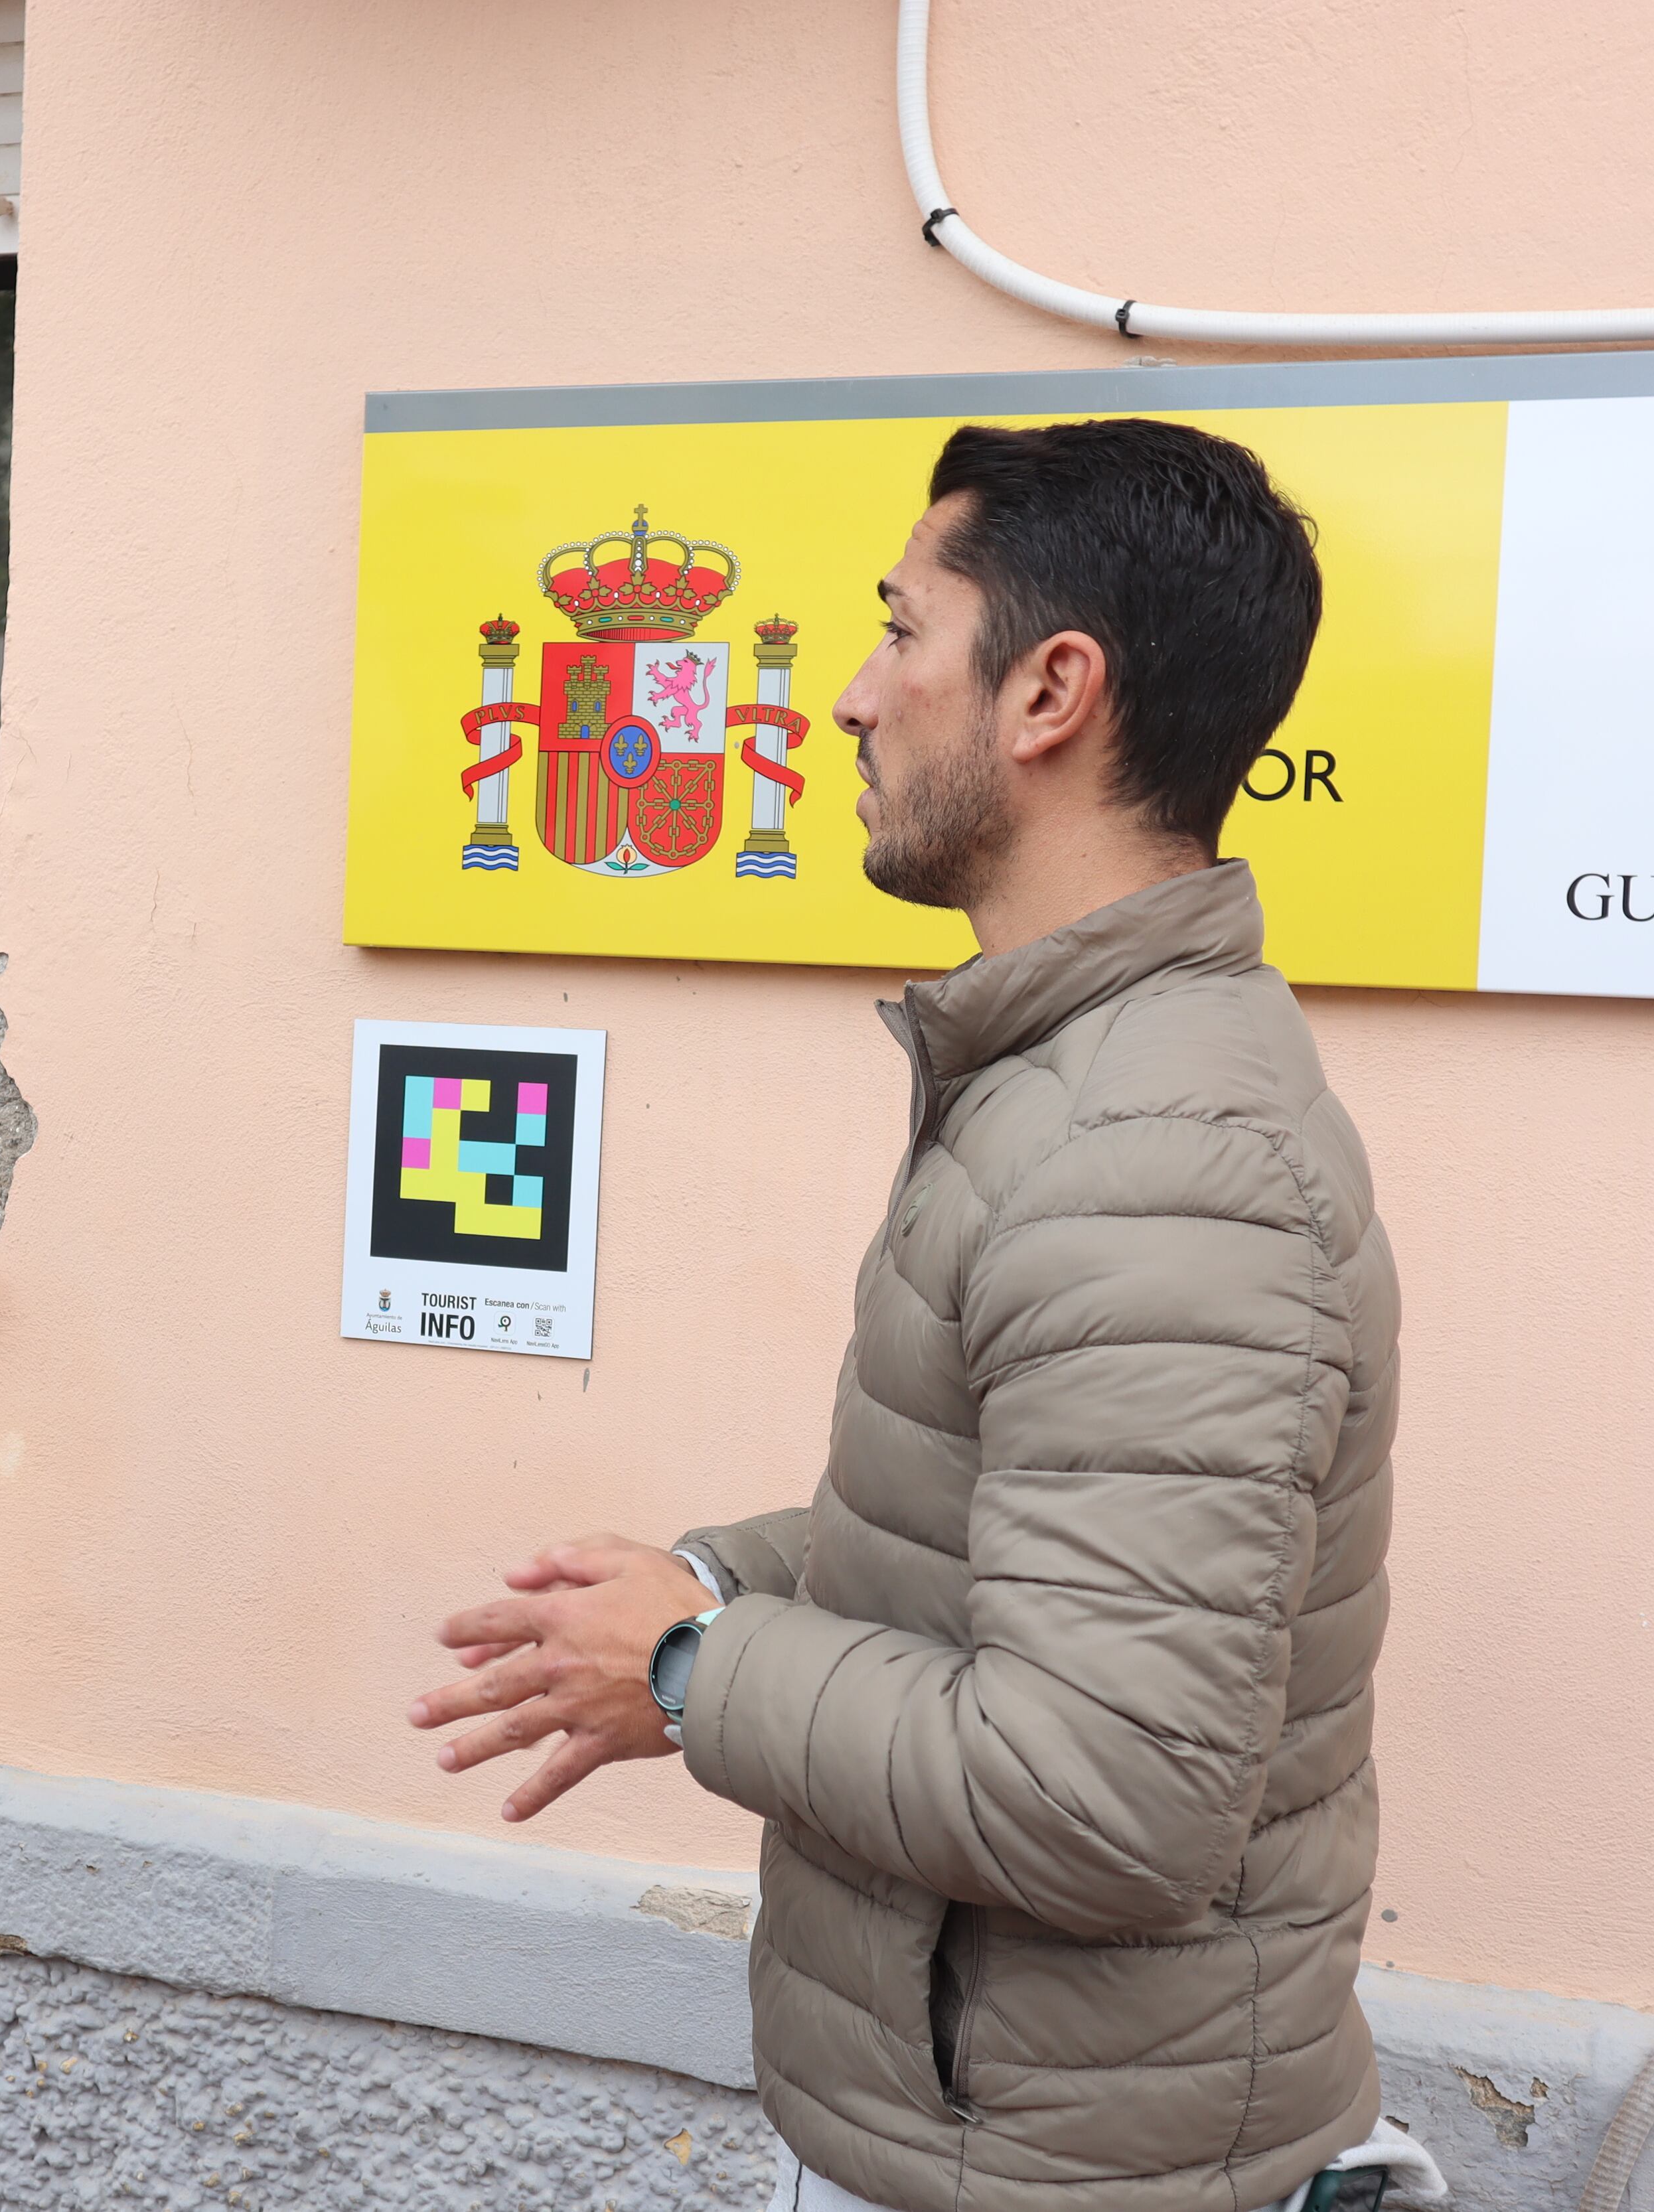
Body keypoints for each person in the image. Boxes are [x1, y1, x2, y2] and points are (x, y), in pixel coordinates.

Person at [411, 420, 1445, 2212]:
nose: (849, 695)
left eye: (901, 629)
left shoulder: (1153, 1157)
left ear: (1050, 692)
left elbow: (1108, 1792)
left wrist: (687, 1671)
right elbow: (1023, 1539)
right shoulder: (1083, 1081)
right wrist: (720, 1582)